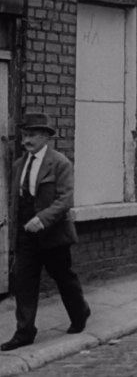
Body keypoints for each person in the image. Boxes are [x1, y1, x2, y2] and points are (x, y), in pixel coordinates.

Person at [1, 112, 90, 351]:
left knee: (63, 277)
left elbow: (65, 199)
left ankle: (80, 314)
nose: (26, 141)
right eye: (24, 136)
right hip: (26, 234)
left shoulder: (60, 162)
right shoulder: (20, 165)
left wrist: (42, 219)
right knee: (24, 282)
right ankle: (24, 332)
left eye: (31, 136)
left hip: (53, 234)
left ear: (44, 137)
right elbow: (15, 200)